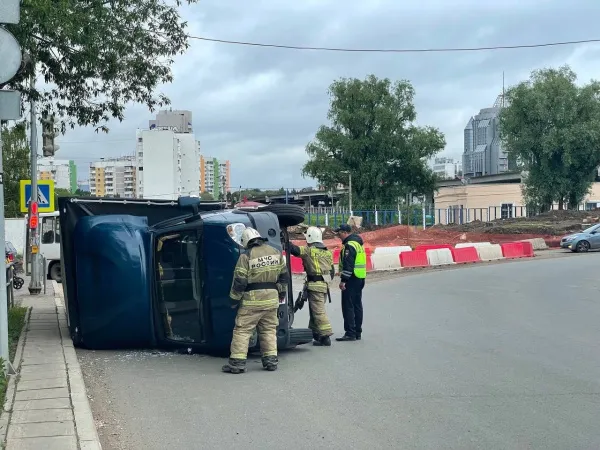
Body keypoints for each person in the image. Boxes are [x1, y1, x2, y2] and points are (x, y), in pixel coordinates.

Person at [222, 227, 288, 374]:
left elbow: (240, 282)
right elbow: (284, 276)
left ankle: (237, 363)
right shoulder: (275, 252)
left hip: (252, 301)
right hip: (272, 299)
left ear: (246, 241)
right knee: (269, 330)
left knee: (243, 330)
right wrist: (282, 293)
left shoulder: (246, 256)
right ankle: (271, 361)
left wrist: (233, 300)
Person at [289, 226, 334, 347]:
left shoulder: (309, 251)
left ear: (310, 238)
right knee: (315, 310)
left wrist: (286, 241)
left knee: (318, 311)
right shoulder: (327, 252)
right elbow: (332, 271)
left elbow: (295, 250)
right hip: (324, 286)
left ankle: (325, 336)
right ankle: (315, 333)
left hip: (315, 286)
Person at [334, 224, 366, 342]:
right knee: (357, 305)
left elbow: (348, 264)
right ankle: (357, 332)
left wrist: (343, 281)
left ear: (345, 232)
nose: (338, 236)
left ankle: (350, 333)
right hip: (360, 277)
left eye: (339, 233)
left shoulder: (349, 245)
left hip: (351, 279)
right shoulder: (358, 244)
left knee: (348, 306)